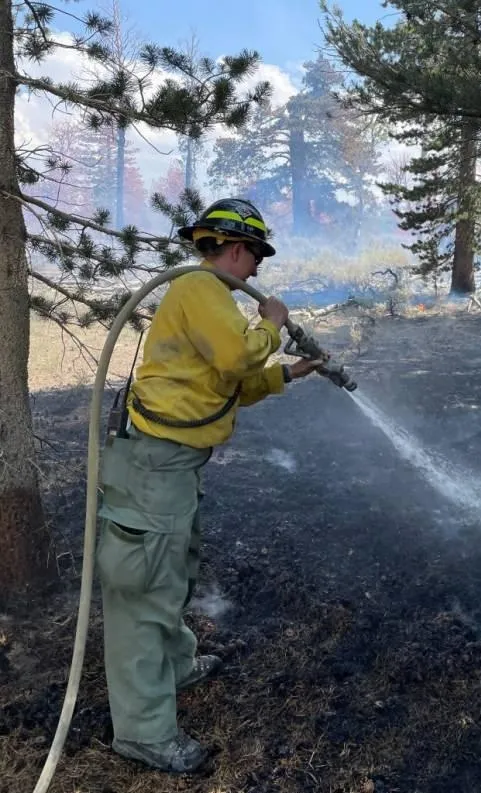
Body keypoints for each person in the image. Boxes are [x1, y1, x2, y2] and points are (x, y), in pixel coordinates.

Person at [95, 198, 321, 773]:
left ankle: (175, 664)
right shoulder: (201, 290)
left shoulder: (207, 300)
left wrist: (287, 374)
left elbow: (224, 384)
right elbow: (234, 355)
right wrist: (271, 319)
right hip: (152, 468)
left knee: (173, 572)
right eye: (254, 260)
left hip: (172, 466)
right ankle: (143, 732)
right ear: (237, 249)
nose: (255, 274)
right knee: (144, 592)